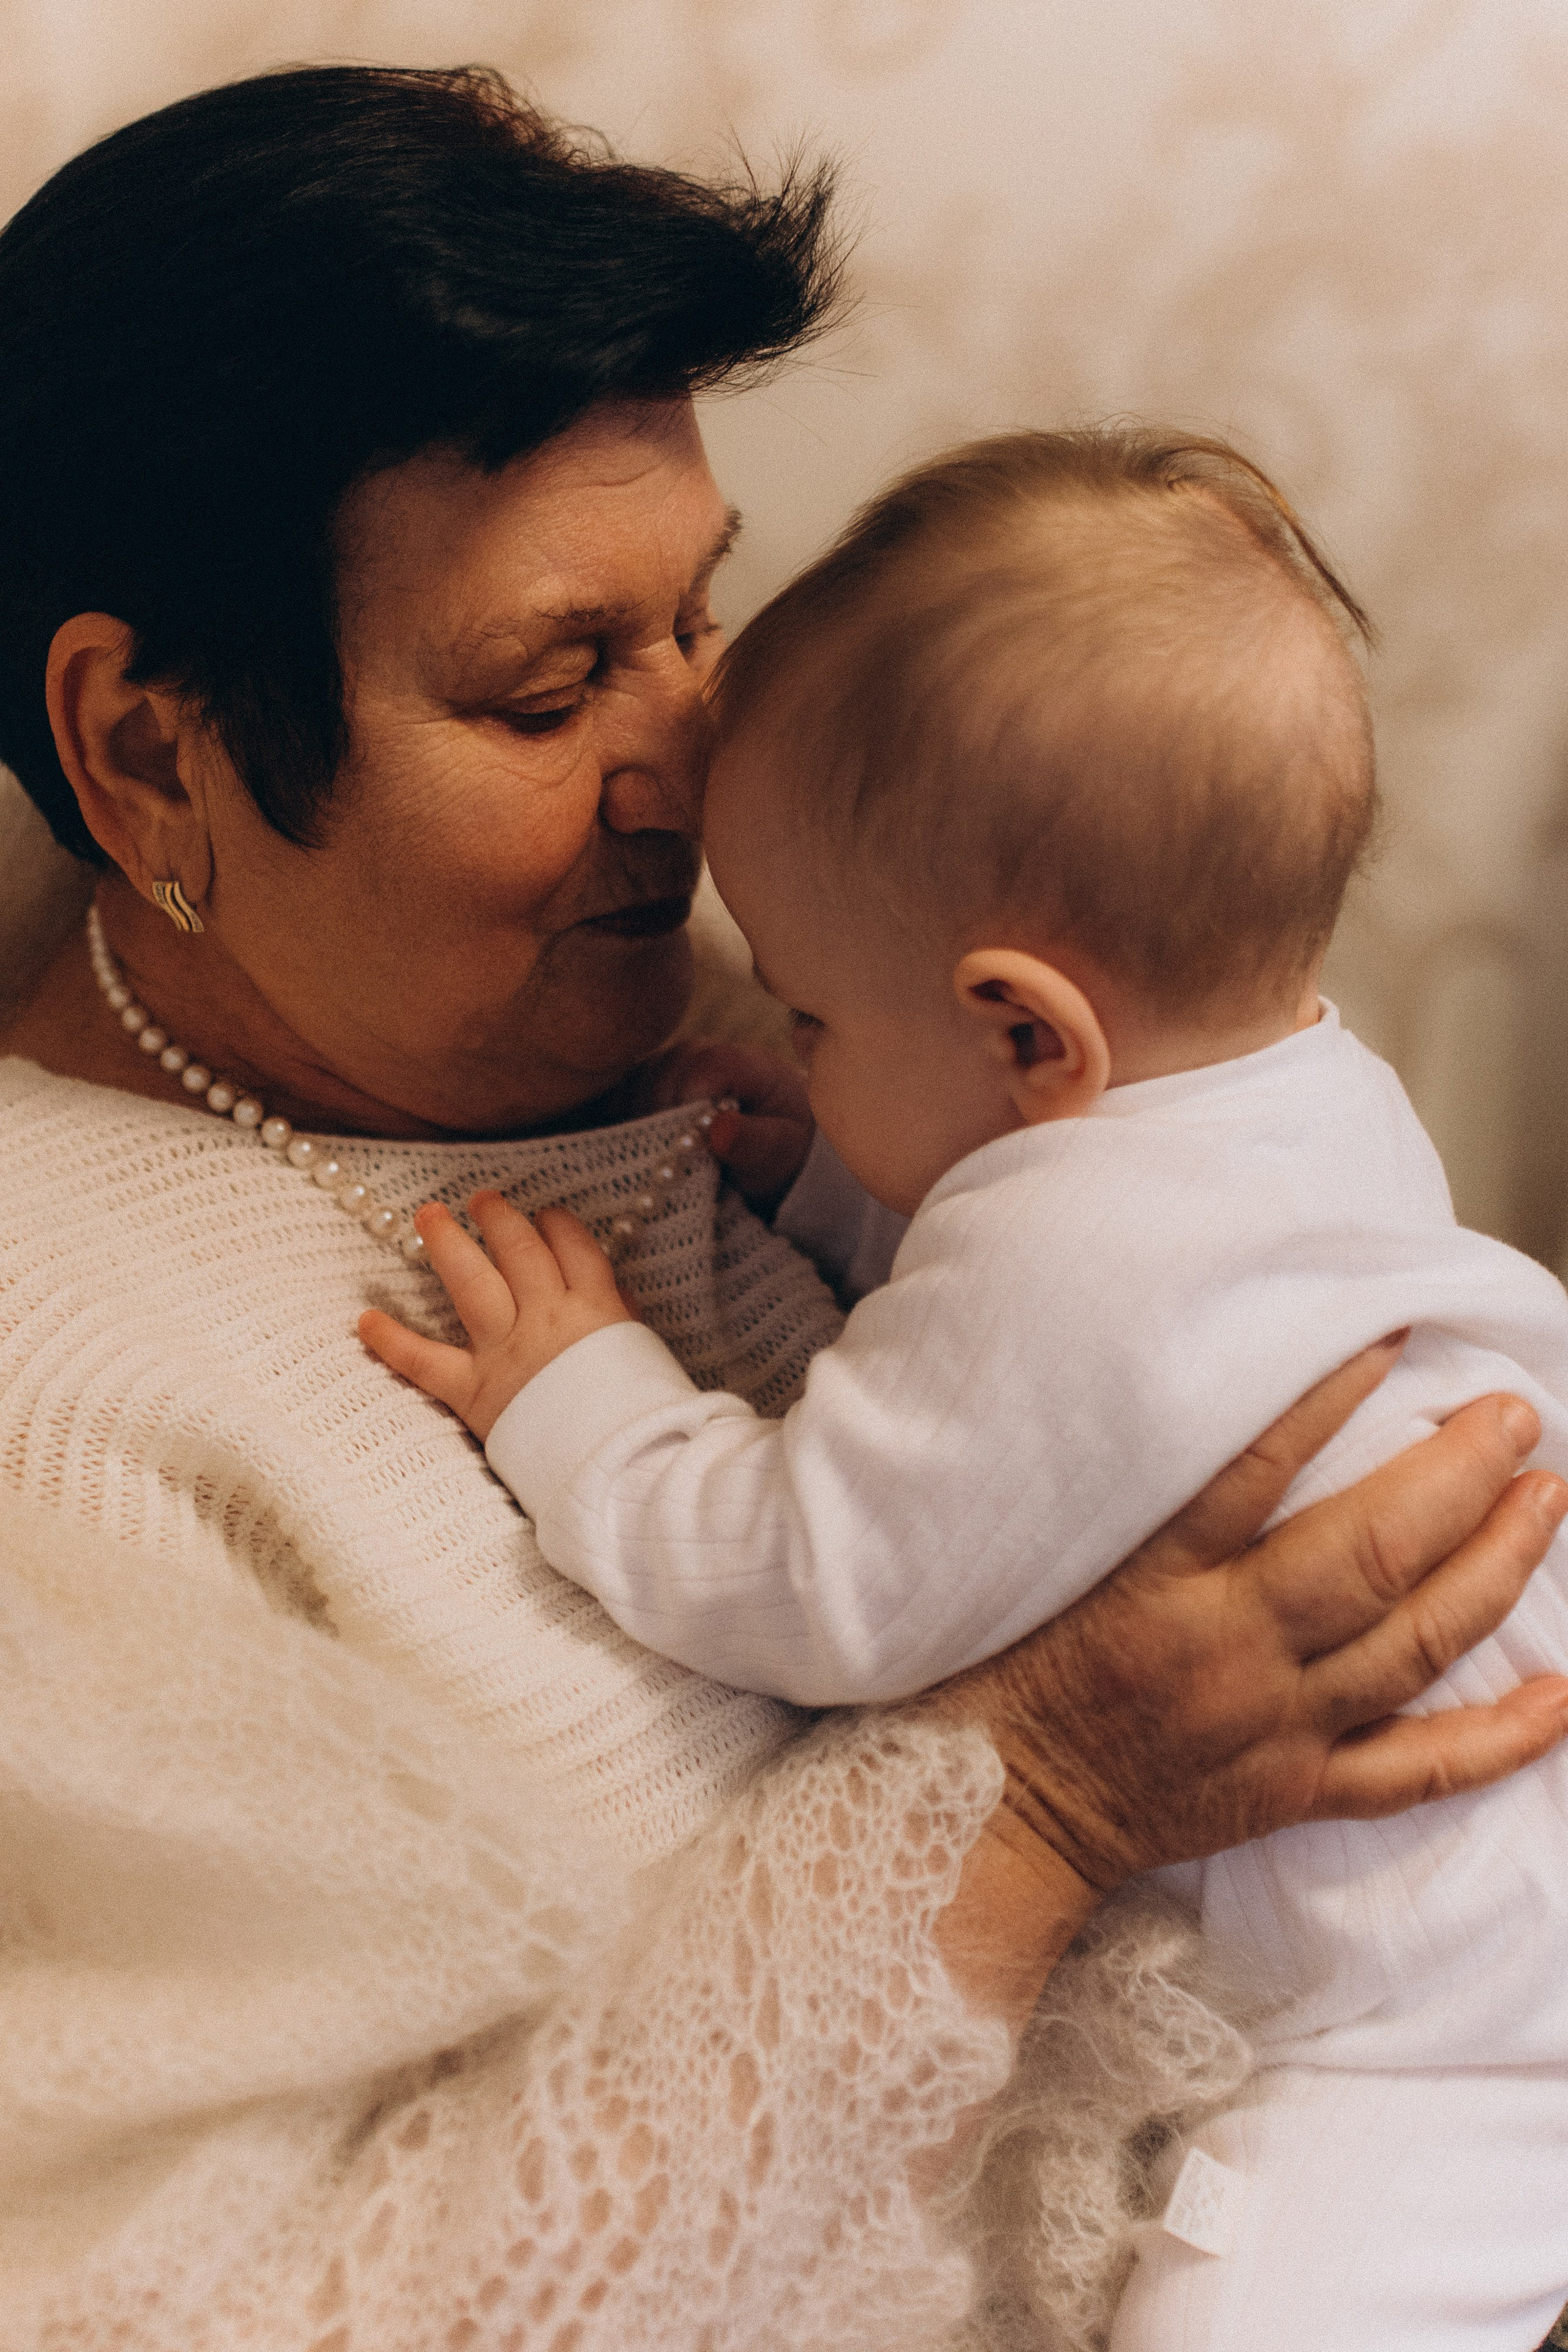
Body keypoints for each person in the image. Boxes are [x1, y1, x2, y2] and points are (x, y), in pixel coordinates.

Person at [1, 66, 1565, 2351]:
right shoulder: (63, 1393)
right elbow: (259, 2310)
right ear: (152, 751)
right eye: (557, 686)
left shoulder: (770, 990)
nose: (693, 757)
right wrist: (1037, 1799)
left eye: (696, 621)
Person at [363, 424, 1568, 2349]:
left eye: (817, 1014)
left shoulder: (1074, 1260)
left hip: (1430, 2036)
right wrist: (840, 1157)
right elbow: (1052, 1338)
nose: (780, 1034)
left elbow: (813, 1577)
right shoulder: (1286, 1090)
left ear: (1024, 1029)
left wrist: (576, 1389)